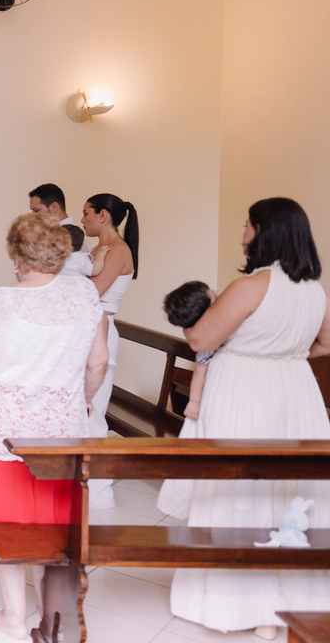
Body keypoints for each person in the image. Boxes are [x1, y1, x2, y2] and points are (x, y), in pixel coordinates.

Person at [156, 198, 330, 638]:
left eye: (248, 226)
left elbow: (200, 338)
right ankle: (288, 607)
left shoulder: (251, 286)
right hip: (296, 392)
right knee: (288, 490)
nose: (242, 234)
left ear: (264, 231)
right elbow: (326, 343)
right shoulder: (315, 290)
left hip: (244, 392)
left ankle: (236, 605)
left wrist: (250, 352)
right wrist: (284, 355)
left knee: (239, 487)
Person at [0, 214, 107, 642]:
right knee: (49, 522)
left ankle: (14, 618)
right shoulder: (85, 294)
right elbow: (98, 362)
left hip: (3, 431)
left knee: (8, 522)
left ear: (18, 256)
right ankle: (50, 614)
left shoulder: (3, 300)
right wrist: (84, 397)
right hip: (60, 429)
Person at [78, 192, 139, 509]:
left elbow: (91, 292)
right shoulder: (97, 248)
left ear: (103, 215)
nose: (82, 218)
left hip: (100, 333)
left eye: (86, 212)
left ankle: (100, 495)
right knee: (76, 411)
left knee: (93, 412)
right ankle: (79, 484)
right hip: (84, 331)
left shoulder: (117, 250)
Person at [162, 281, 218, 421]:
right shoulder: (207, 341)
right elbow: (200, 371)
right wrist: (194, 402)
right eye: (213, 295)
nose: (218, 292)